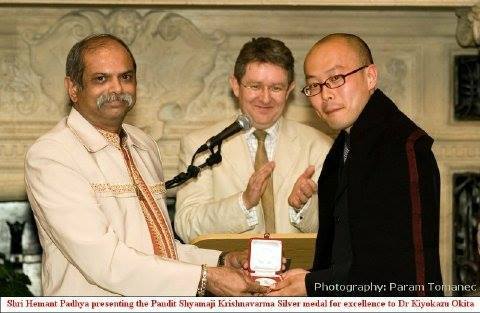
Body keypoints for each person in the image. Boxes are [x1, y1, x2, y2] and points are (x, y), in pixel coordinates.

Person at [24, 33, 269, 296]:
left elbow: (158, 249)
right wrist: (206, 278)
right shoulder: (52, 155)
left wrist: (220, 261)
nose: (117, 88)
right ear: (73, 88)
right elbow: (105, 262)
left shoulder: (143, 145)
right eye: (101, 79)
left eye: (126, 77)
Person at [269, 33, 443, 296]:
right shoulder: (345, 146)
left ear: (370, 77)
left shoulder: (402, 146)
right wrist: (311, 278)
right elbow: (347, 252)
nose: (325, 94)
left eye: (336, 79)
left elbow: (398, 267)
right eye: (314, 86)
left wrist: (312, 284)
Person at [174, 37, 332, 243]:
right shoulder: (201, 146)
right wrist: (243, 203)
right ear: (236, 85)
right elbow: (187, 226)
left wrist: (303, 207)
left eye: (276, 88)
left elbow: (337, 230)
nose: (265, 99)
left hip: (299, 272)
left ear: (290, 90)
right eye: (255, 86)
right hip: (228, 271)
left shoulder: (320, 146)